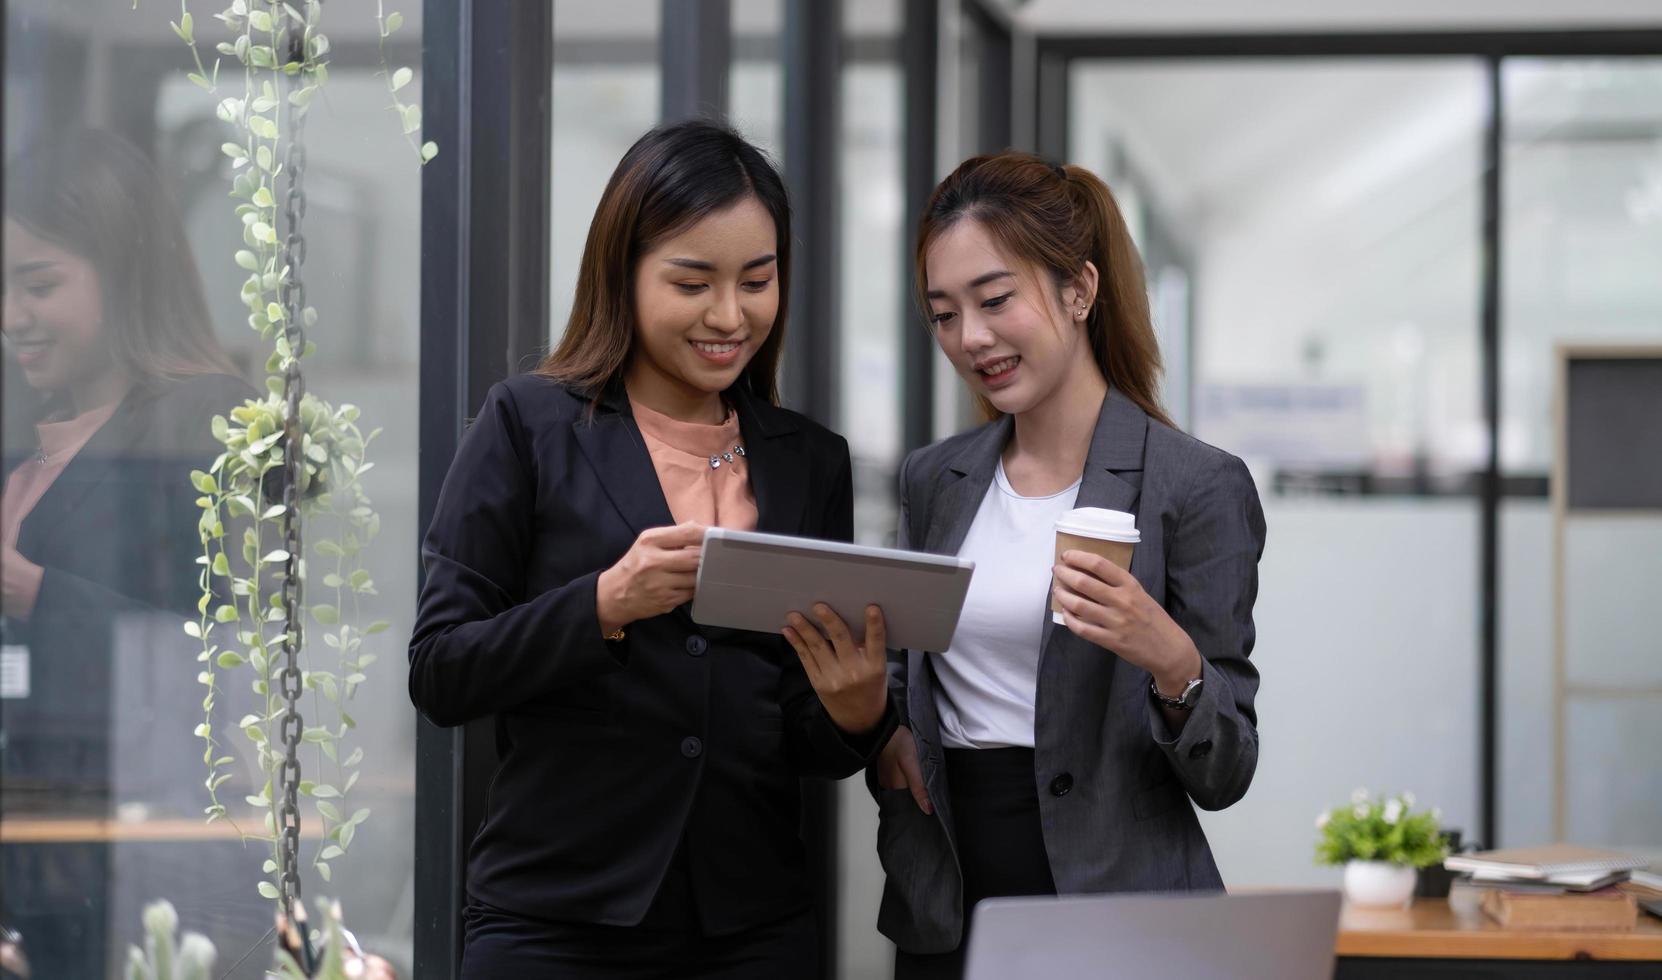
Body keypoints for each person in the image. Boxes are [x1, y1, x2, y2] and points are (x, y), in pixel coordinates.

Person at [407, 120, 897, 979]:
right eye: (692, 281)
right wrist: (606, 603)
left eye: (757, 280)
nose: (729, 315)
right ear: (623, 274)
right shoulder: (527, 425)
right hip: (555, 922)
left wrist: (856, 712)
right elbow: (442, 669)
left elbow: (800, 737)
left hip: (750, 928)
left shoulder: (810, 462)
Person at [868, 152, 1266, 979]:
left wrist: (1171, 660)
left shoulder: (1193, 485)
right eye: (943, 314)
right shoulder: (933, 481)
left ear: (1079, 291)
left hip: (1116, 907)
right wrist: (879, 731)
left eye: (995, 299)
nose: (970, 338)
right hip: (950, 898)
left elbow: (1228, 768)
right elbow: (912, 704)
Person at [1, 128, 255, 978]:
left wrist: (35, 593)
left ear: (126, 275)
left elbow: (220, 662)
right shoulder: (27, 442)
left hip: (145, 864)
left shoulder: (205, 424)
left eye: (39, 285)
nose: (12, 318)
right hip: (40, 854)